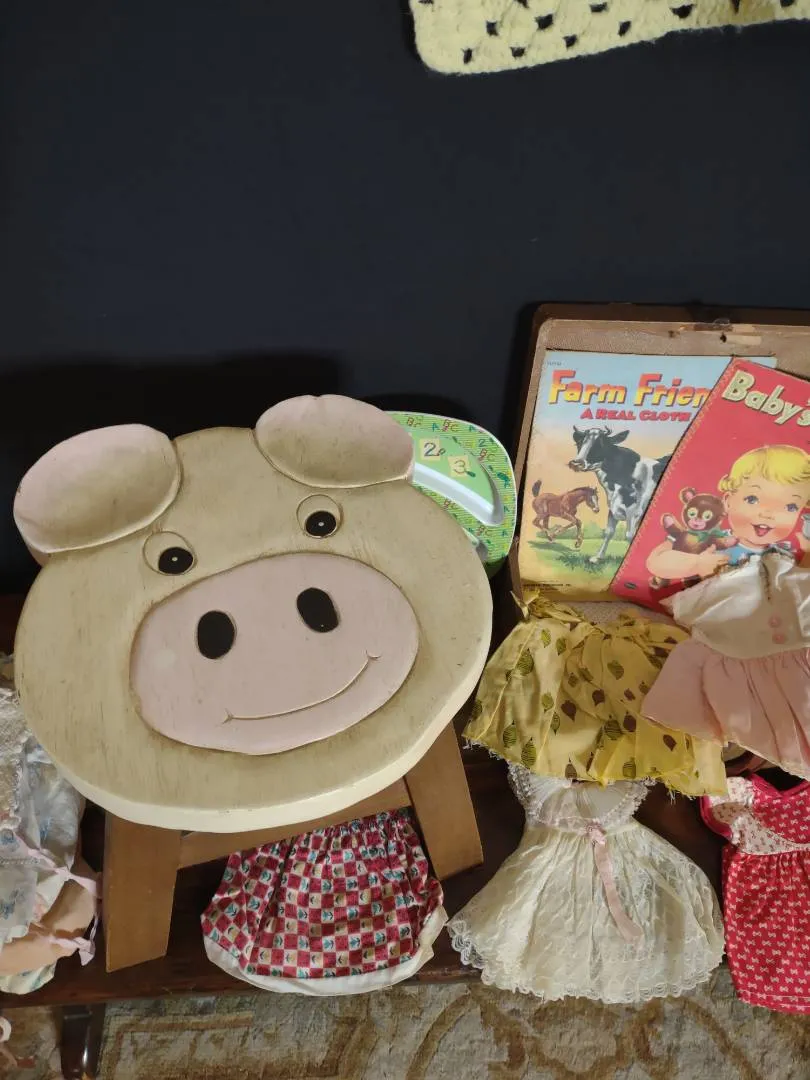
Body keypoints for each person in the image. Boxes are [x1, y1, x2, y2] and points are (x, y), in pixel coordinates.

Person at [645, 445, 810, 582]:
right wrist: (697, 563)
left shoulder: (784, 555)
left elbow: (800, 584)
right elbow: (656, 562)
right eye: (752, 499)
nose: (768, 514)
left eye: (790, 507)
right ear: (728, 502)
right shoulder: (710, 540)